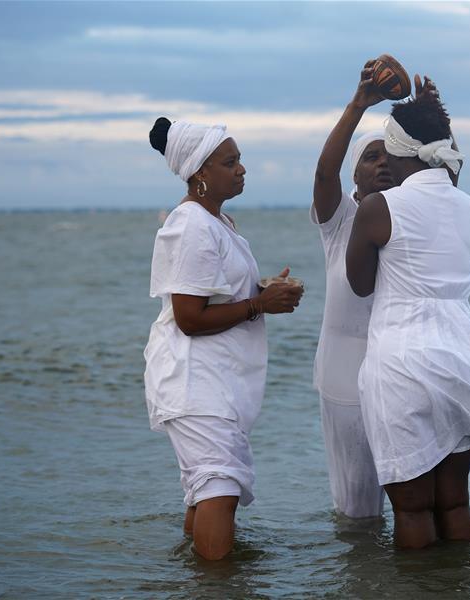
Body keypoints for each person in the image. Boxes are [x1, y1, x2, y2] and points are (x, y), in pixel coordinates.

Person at [346, 78, 470, 549]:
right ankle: (462, 584)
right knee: (454, 503)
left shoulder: (380, 208)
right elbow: (445, 173)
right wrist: (436, 112)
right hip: (461, 357)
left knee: (413, 509)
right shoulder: (467, 205)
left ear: (397, 153)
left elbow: (360, 285)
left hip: (401, 363)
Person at [144, 118, 304, 560]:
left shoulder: (216, 221)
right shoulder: (192, 224)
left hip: (213, 381)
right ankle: (217, 584)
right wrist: (258, 305)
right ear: (199, 173)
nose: (242, 170)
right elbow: (189, 317)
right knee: (219, 485)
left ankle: (198, 581)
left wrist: (264, 291)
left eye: (240, 160)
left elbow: (213, 294)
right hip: (196, 381)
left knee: (207, 488)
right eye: (230, 162)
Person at [309, 59, 394, 519]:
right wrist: (359, 104)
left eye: (388, 156)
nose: (381, 164)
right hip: (343, 374)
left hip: (398, 370)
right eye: (370, 157)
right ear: (356, 173)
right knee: (357, 508)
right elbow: (325, 174)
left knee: (413, 498)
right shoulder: (339, 219)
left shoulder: (407, 216)